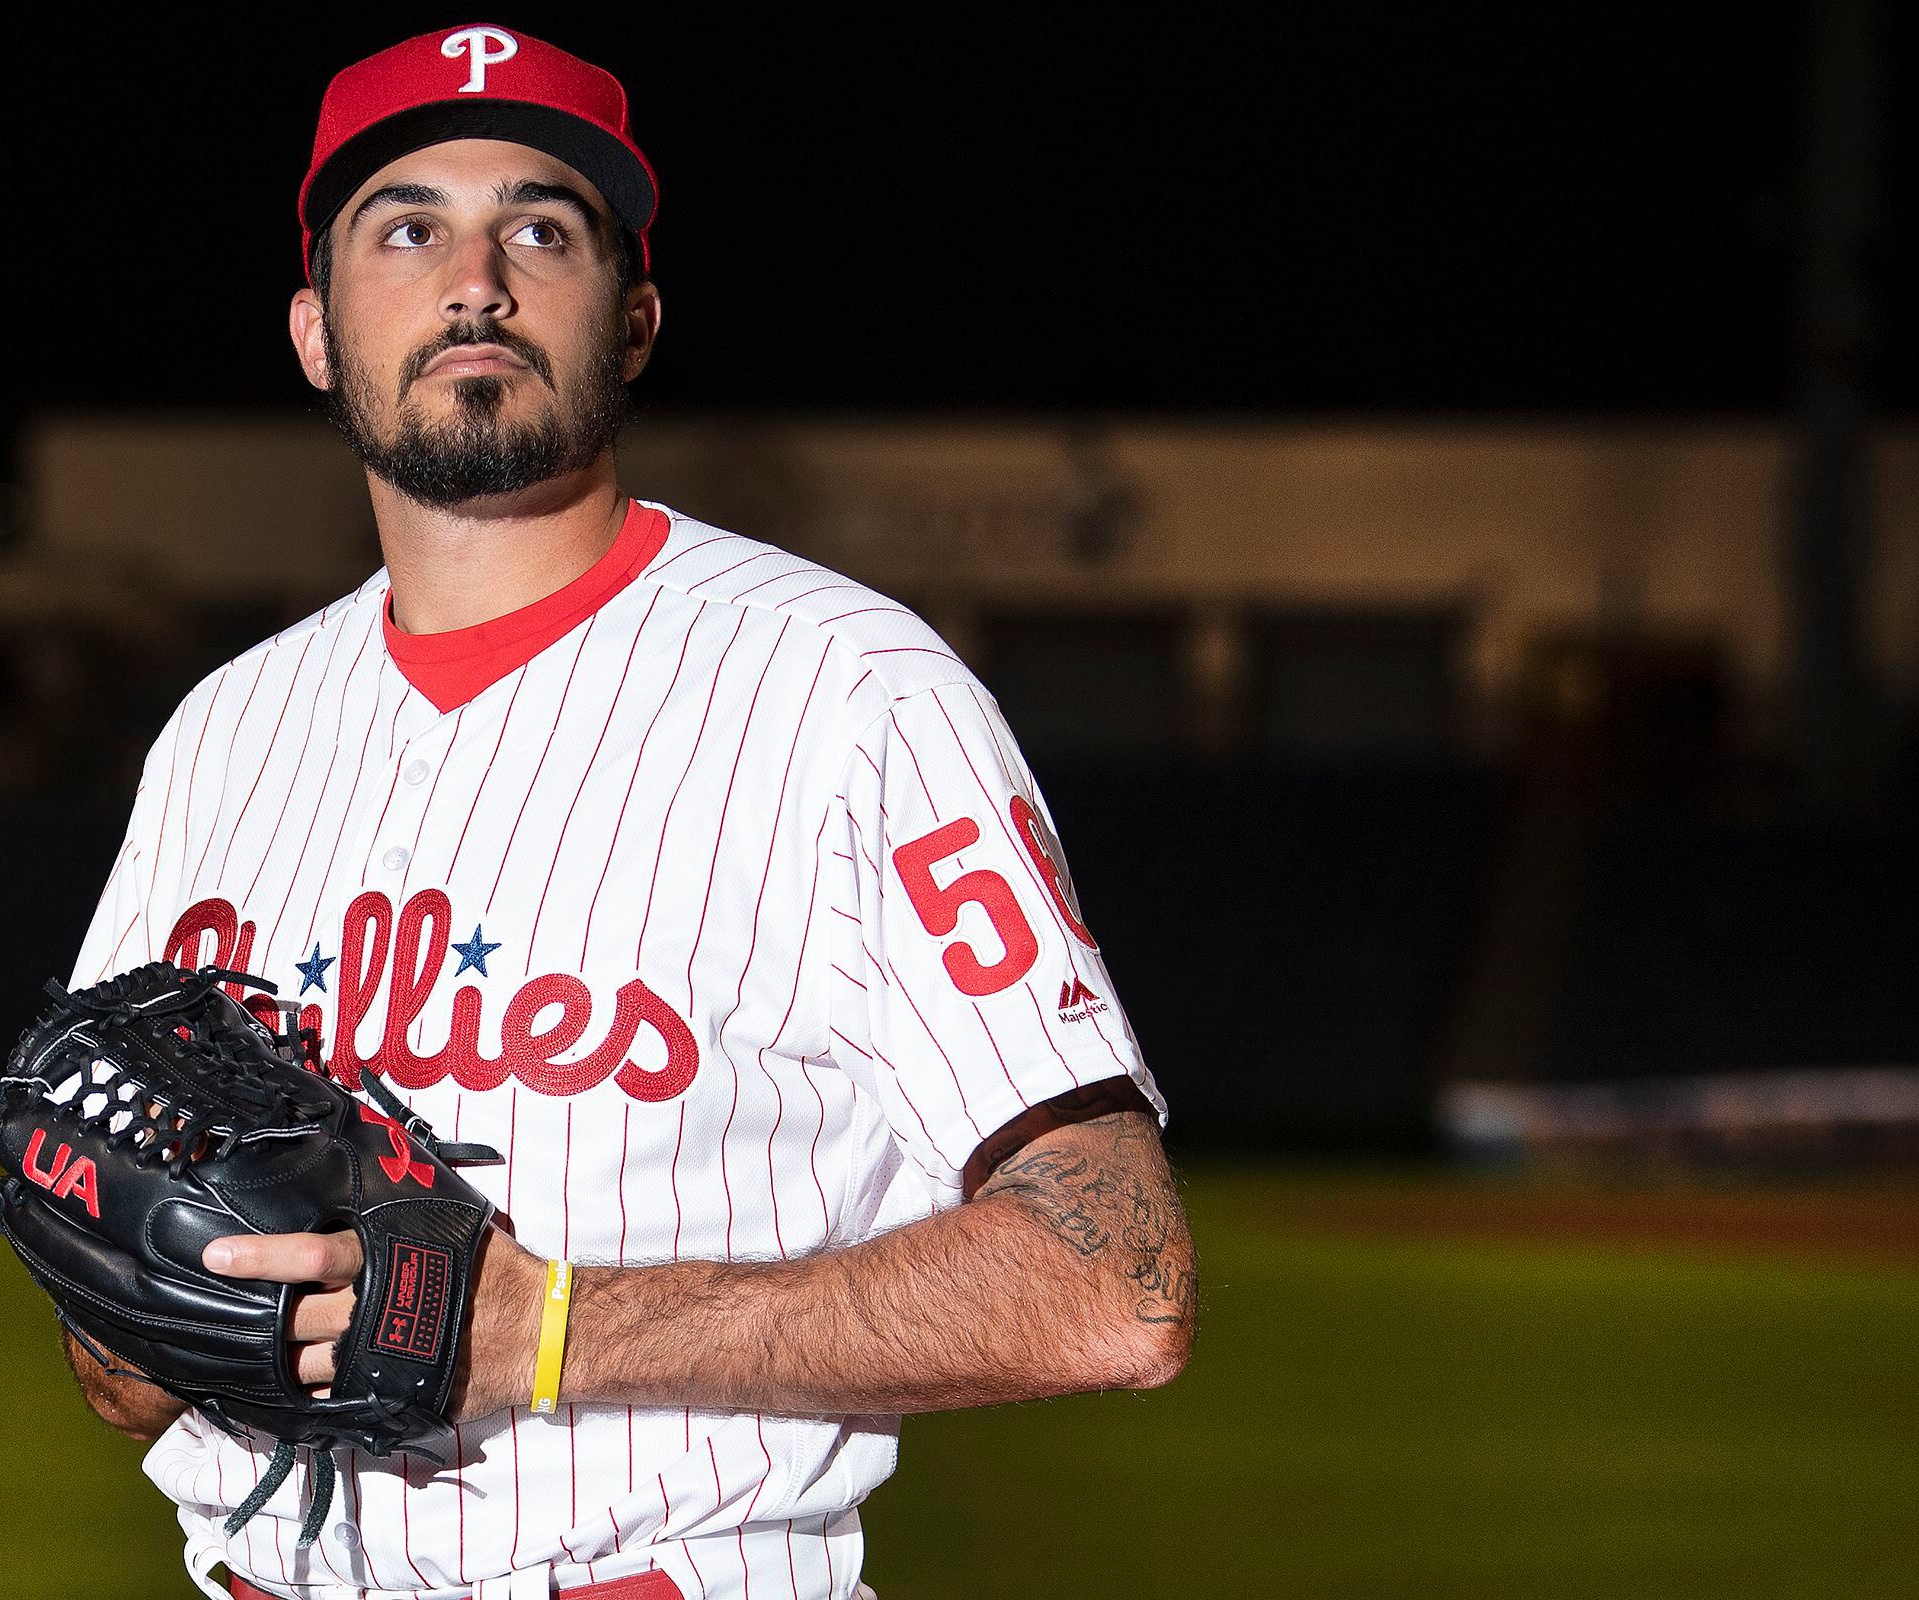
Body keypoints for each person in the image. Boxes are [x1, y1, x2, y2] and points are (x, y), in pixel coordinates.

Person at [61, 23, 1195, 1599]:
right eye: (409, 228)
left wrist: (552, 1331)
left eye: (542, 228)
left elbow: (1111, 1279)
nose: (477, 281)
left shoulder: (847, 687)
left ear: (635, 315)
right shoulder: (223, 732)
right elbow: (113, 1285)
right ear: (317, 329)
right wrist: (144, 1315)